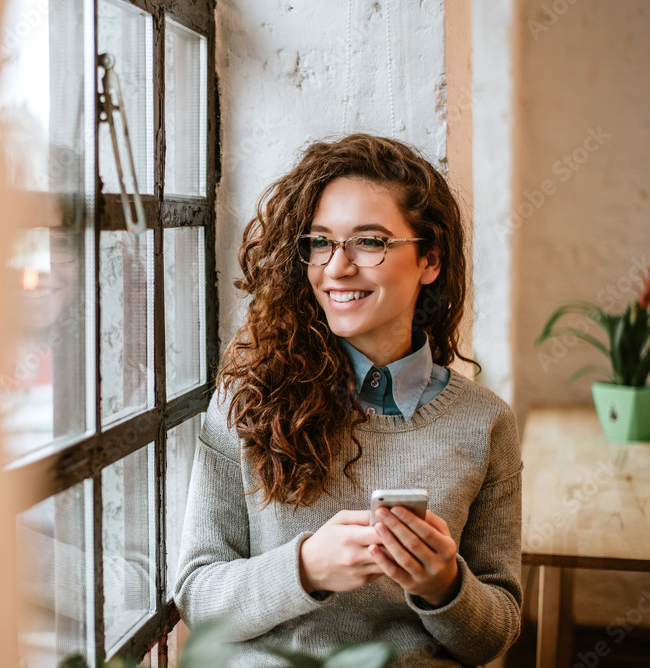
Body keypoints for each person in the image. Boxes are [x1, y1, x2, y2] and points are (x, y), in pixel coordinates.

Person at [173, 134, 523, 667]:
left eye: (369, 242)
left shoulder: (485, 423)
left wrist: (446, 586)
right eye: (320, 241)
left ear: (430, 259)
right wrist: (306, 568)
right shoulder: (247, 401)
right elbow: (197, 594)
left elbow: (494, 636)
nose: (336, 267)